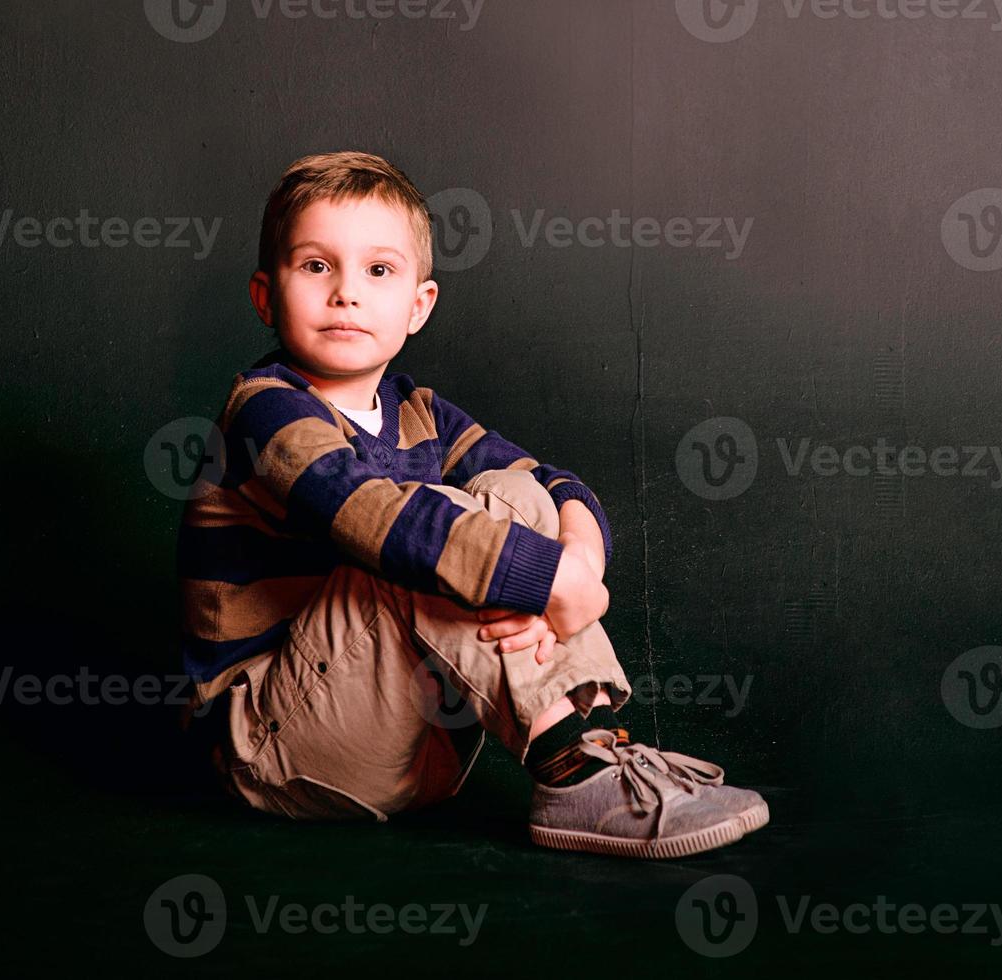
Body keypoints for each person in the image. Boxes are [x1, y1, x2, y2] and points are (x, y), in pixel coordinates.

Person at [178, 150, 768, 858]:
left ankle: (593, 750)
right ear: (265, 296)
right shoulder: (265, 412)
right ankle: (569, 764)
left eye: (378, 270)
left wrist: (579, 565)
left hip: (414, 746)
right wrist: (547, 580)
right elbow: (364, 512)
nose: (346, 293)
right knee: (421, 526)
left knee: (511, 494)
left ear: (418, 305)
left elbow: (552, 484)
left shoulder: (420, 412)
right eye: (315, 266)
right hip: (276, 747)